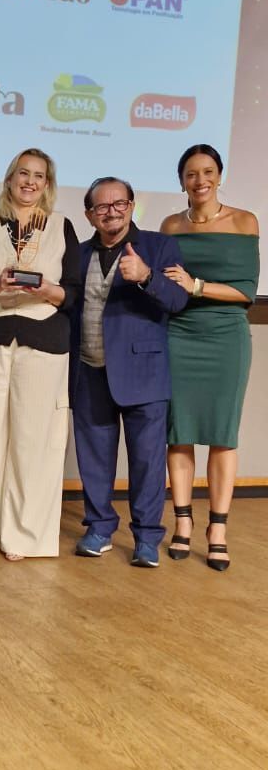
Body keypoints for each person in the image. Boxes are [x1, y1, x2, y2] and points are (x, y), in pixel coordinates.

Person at [0, 148, 80, 559]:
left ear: (48, 184)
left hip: (44, 342)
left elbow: (74, 293)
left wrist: (46, 290)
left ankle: (24, 537)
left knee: (33, 443)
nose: (30, 182)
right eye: (23, 173)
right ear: (10, 177)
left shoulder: (63, 227)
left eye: (39, 176)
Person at [70, 177, 188, 567]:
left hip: (144, 373)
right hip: (90, 369)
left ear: (132, 205)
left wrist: (147, 277)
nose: (111, 212)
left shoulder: (158, 245)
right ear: (90, 214)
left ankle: (147, 537)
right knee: (94, 459)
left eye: (119, 203)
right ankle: (100, 527)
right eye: (101, 207)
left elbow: (177, 299)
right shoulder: (78, 253)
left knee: (147, 462)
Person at [160, 143, 259, 570]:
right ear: (181, 180)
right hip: (179, 333)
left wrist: (196, 285)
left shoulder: (244, 222)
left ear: (220, 175)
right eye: (191, 174)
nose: (200, 181)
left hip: (226, 336)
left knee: (223, 434)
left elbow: (246, 291)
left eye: (207, 172)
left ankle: (217, 528)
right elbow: (164, 284)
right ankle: (182, 522)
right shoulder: (168, 225)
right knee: (178, 431)